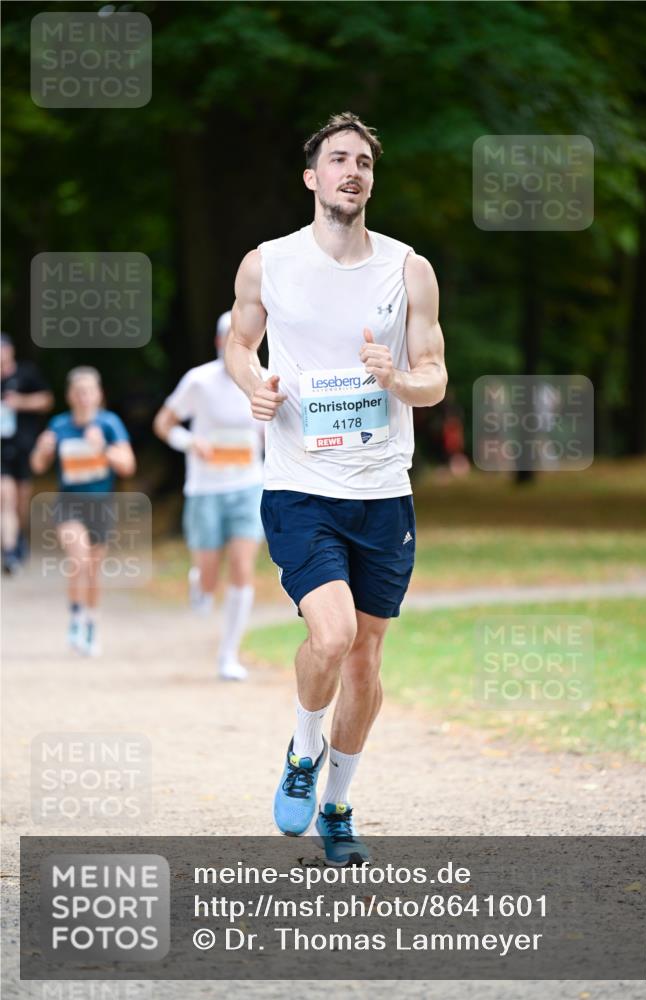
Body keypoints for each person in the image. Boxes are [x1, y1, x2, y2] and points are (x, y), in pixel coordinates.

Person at [225, 112, 447, 865]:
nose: (352, 171)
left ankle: (338, 805)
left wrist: (398, 378)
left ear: (371, 182)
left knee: (364, 659)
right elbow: (239, 344)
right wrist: (254, 385)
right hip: (299, 484)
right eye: (338, 159)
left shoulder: (408, 269)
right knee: (331, 635)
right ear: (311, 177)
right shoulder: (267, 264)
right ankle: (302, 749)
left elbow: (434, 377)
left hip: (382, 491)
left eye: (364, 163)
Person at [153, 312, 265, 682]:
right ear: (219, 342)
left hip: (248, 486)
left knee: (242, 567)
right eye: (229, 336)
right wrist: (190, 442)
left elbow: (270, 433)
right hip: (205, 489)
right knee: (209, 575)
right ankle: (199, 582)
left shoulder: (264, 380)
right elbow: (163, 424)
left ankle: (228, 654)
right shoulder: (198, 381)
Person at [30, 367, 135, 656]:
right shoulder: (59, 425)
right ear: (70, 396)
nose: (84, 398)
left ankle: (91, 622)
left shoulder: (109, 424)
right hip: (69, 503)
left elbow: (128, 465)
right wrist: (42, 450)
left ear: (98, 395)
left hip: (101, 505)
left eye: (89, 392)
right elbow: (37, 465)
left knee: (92, 570)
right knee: (79, 559)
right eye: (78, 392)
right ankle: (76, 616)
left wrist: (103, 449)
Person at [0, 333, 53, 573]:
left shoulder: (26, 373)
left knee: (21, 501)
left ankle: (19, 535)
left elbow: (46, 400)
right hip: (1, 448)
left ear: (10, 351)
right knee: (5, 498)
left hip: (24, 446)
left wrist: (20, 402)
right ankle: (9, 552)